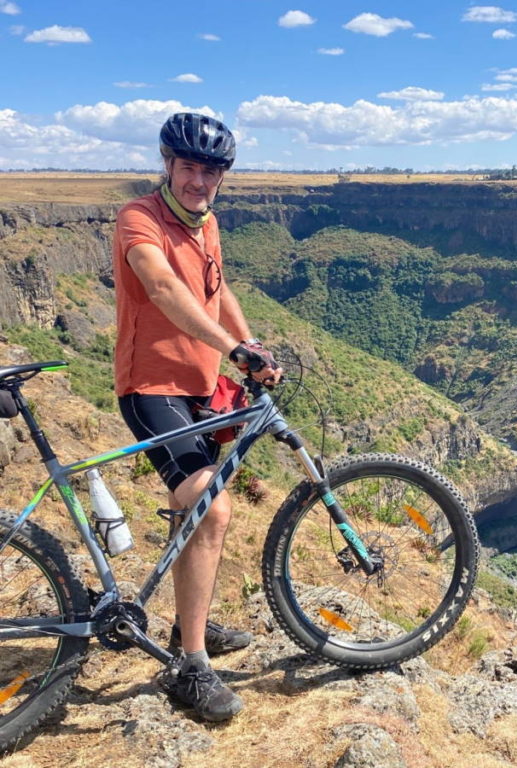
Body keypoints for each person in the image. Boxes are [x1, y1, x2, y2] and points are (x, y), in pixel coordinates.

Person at [112, 112, 282, 721]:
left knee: (195, 514)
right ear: (168, 165)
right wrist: (235, 349)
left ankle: (194, 627)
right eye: (190, 168)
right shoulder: (139, 218)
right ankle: (190, 668)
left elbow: (218, 291)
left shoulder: (206, 224)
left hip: (200, 389)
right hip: (151, 388)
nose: (200, 182)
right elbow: (161, 288)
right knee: (211, 506)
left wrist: (248, 345)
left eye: (211, 172)